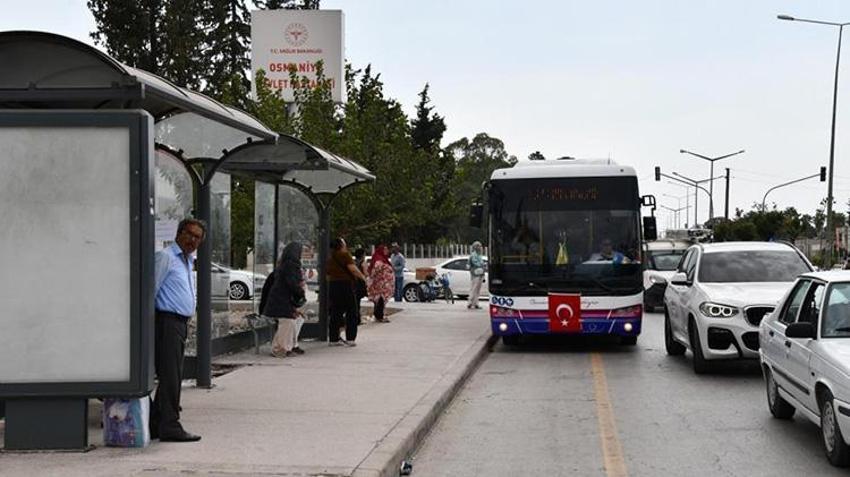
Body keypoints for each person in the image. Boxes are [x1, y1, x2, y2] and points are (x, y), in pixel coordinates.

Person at [150, 218, 205, 442]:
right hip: (167, 322)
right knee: (171, 376)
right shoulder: (166, 257)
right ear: (179, 233)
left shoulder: (187, 261)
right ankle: (170, 425)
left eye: (197, 237)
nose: (192, 240)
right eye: (189, 234)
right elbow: (151, 290)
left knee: (171, 375)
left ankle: (156, 423)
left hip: (179, 323)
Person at [264, 242, 307, 358]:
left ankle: (285, 346)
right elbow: (292, 283)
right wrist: (300, 292)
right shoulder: (290, 265)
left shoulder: (285, 264)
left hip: (281, 299)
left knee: (291, 321)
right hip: (281, 300)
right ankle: (279, 349)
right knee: (287, 322)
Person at [326, 237, 367, 346]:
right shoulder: (344, 255)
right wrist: (363, 278)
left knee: (336, 312)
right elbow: (353, 269)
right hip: (345, 285)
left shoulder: (330, 257)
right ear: (341, 245)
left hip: (333, 285)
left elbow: (327, 273)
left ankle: (333, 339)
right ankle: (350, 338)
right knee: (352, 311)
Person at [367, 244, 395, 323]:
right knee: (380, 300)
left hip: (383, 284)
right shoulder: (378, 259)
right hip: (380, 285)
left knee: (380, 300)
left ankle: (379, 315)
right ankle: (379, 316)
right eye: (385, 249)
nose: (387, 251)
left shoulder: (383, 259)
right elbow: (375, 271)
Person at [468, 241, 486, 309]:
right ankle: (470, 302)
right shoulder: (473, 255)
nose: (481, 248)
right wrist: (482, 265)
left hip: (480, 273)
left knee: (477, 290)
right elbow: (476, 264)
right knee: (474, 288)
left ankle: (475, 303)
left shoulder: (479, 255)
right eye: (480, 246)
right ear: (476, 247)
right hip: (475, 274)